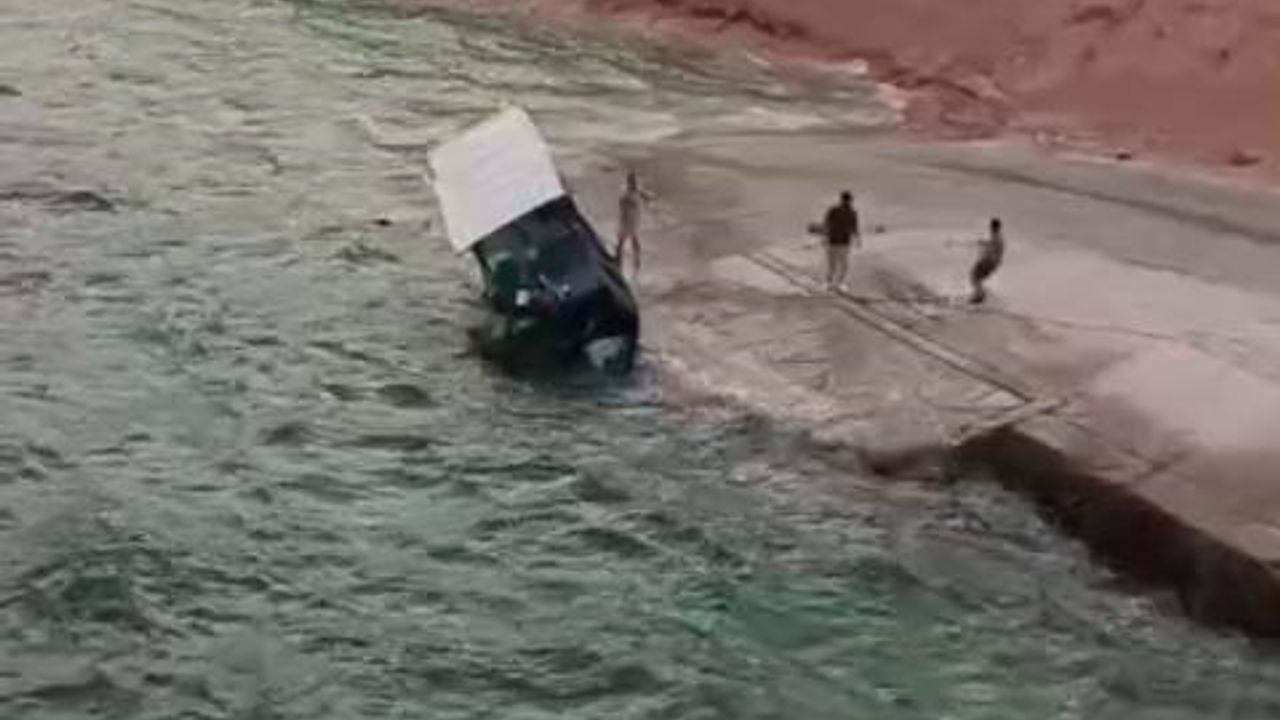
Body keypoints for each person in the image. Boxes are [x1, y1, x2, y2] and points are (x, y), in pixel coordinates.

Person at [615, 170, 654, 277]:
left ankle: (635, 259)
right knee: (623, 240)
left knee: (631, 239)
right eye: (631, 181)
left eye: (633, 181)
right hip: (626, 219)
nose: (633, 183)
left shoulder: (637, 191)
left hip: (633, 219)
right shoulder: (625, 192)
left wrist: (647, 198)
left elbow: (647, 197)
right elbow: (622, 204)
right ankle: (619, 259)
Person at [820, 191, 860, 291]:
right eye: (845, 200)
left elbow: (854, 227)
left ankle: (841, 283)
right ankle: (828, 282)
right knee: (832, 265)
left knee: (844, 265)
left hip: (844, 242)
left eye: (848, 200)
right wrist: (824, 237)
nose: (846, 202)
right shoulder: (833, 210)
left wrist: (857, 239)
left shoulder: (852, 213)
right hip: (832, 241)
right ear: (841, 200)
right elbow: (826, 224)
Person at [969, 217, 1006, 304]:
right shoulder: (998, 237)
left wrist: (983, 244)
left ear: (993, 227)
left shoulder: (997, 237)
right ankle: (980, 294)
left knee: (974, 276)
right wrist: (983, 243)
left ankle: (980, 295)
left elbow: (992, 247)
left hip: (989, 262)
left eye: (992, 227)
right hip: (993, 263)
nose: (991, 229)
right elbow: (992, 246)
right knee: (977, 278)